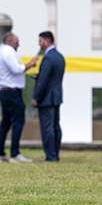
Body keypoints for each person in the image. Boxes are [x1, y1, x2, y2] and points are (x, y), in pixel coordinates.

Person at [0, 32, 38, 163]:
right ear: (9, 42)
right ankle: (15, 154)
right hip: (12, 93)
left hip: (6, 92)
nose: (18, 45)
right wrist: (31, 64)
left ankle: (0, 153)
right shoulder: (9, 52)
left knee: (6, 123)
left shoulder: (3, 52)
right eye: (16, 42)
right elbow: (16, 69)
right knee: (18, 122)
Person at [31, 31, 66, 162]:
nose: (39, 44)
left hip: (46, 98)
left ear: (46, 41)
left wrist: (36, 97)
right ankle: (55, 154)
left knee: (47, 128)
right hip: (56, 97)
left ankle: (50, 156)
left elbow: (43, 80)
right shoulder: (59, 57)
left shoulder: (48, 58)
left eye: (40, 41)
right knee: (56, 126)